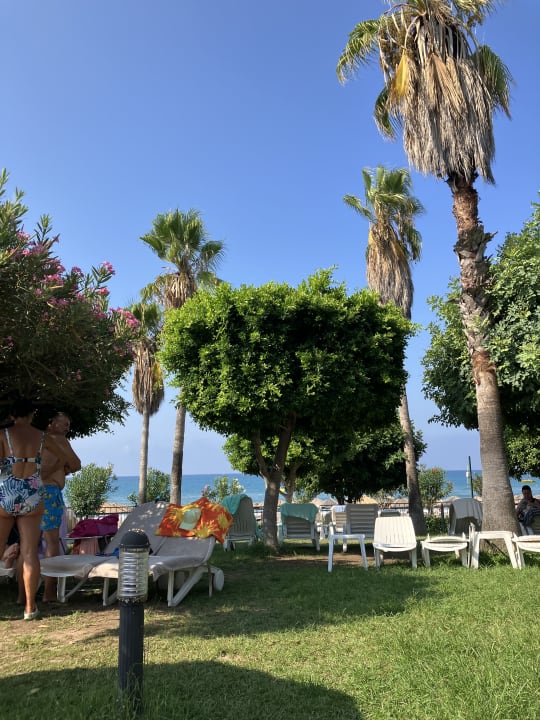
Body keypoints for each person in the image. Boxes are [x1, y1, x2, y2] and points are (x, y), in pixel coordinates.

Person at [0, 399, 71, 620]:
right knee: (30, 551)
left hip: (8, 489)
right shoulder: (42, 436)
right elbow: (67, 459)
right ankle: (30, 608)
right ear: (31, 415)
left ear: (12, 416)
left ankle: (19, 598)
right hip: (32, 490)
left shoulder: (3, 435)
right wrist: (48, 470)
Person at [40, 411, 81, 603]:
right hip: (49, 493)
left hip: (32, 491)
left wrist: (60, 465)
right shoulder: (56, 440)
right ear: (52, 423)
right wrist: (61, 464)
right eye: (65, 424)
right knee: (52, 542)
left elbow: (74, 465)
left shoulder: (37, 439)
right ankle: (49, 591)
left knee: (29, 543)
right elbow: (74, 464)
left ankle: (23, 595)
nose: (67, 428)